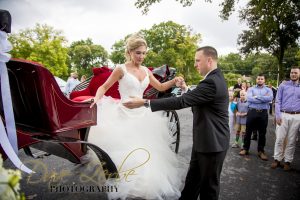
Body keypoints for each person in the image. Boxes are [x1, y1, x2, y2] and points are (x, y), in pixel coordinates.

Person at [124, 46, 230, 200]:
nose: (195, 64)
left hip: (213, 144)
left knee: (209, 189)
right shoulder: (213, 79)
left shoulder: (212, 82)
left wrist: (144, 102)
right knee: (192, 182)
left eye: (197, 61)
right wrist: (186, 89)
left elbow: (182, 102)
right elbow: (198, 99)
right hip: (204, 141)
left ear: (209, 60)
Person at [87, 33, 184, 200]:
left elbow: (160, 87)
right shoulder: (121, 69)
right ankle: (126, 183)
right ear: (130, 52)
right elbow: (103, 87)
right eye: (138, 52)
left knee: (147, 150)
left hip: (143, 114)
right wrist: (96, 100)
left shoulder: (146, 70)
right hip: (124, 114)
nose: (141, 56)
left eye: (144, 53)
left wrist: (174, 81)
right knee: (127, 151)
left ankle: (144, 185)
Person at [271, 66, 300, 171]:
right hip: (283, 114)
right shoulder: (283, 85)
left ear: (299, 74)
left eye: (296, 73)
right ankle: (277, 159)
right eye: (292, 72)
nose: (293, 74)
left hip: (297, 116)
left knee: (292, 140)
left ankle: (288, 161)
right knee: (279, 138)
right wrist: (277, 115)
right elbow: (277, 100)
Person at [239, 74, 273, 160]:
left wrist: (257, 97)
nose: (260, 80)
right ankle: (245, 148)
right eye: (258, 79)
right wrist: (263, 98)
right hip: (252, 112)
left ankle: (261, 151)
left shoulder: (268, 89)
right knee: (248, 131)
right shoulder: (251, 89)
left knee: (262, 132)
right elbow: (250, 99)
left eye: (262, 79)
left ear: (264, 80)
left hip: (263, 113)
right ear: (256, 80)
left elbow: (270, 98)